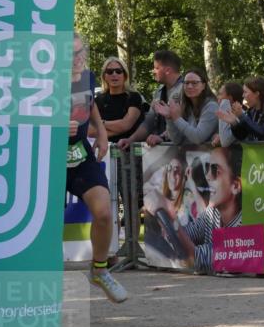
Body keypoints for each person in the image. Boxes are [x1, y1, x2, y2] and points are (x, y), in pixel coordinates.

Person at [67, 34, 128, 303]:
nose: (78, 59)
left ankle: (100, 270)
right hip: (47, 158)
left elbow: (90, 105)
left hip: (80, 155)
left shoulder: (88, 77)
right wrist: (56, 124)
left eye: (81, 52)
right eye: (71, 54)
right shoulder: (42, 80)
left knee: (104, 213)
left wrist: (101, 133)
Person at [171, 145, 243, 274]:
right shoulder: (212, 213)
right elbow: (189, 233)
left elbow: (198, 257)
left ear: (235, 186)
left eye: (215, 170)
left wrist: (170, 222)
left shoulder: (244, 223)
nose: (208, 176)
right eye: (207, 168)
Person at [118, 50, 183, 150]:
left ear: (168, 70)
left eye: (156, 68)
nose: (153, 71)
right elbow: (149, 122)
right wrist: (131, 140)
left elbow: (188, 122)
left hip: (184, 153)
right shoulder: (159, 92)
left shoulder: (187, 90)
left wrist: (162, 137)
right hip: (160, 154)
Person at [95, 56, 146, 143]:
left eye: (118, 71)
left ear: (125, 76)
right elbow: (89, 130)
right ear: (104, 76)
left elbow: (125, 125)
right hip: (104, 151)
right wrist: (119, 128)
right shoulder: (98, 100)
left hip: (128, 151)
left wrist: (101, 123)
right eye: (110, 72)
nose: (114, 74)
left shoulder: (134, 97)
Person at [162, 68, 218, 146]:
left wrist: (177, 118)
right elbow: (177, 140)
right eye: (186, 83)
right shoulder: (185, 106)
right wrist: (169, 118)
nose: (190, 86)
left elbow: (198, 138)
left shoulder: (212, 106)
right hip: (193, 156)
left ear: (203, 85)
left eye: (194, 83)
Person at [220, 75, 264, 143]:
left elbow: (262, 132)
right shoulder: (251, 111)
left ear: (256, 94)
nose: (243, 95)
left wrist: (242, 116)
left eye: (245, 92)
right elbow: (242, 136)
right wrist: (234, 123)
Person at [212, 81, 244, 147]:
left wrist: (224, 105)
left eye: (220, 94)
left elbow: (225, 142)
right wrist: (219, 137)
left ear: (230, 98)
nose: (218, 97)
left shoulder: (240, 116)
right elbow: (225, 138)